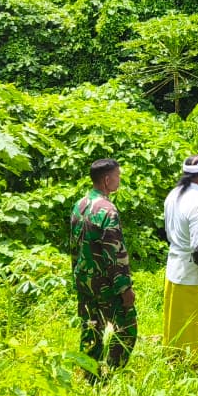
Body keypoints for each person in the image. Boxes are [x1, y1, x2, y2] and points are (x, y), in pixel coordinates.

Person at [69, 158, 137, 379]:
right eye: (117, 175)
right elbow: (115, 254)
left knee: (91, 327)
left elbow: (74, 246)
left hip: (83, 280)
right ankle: (112, 375)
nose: (119, 179)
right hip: (105, 284)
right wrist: (125, 289)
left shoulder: (79, 205)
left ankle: (89, 374)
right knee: (127, 329)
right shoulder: (108, 210)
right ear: (107, 180)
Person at [162, 153, 198, 352]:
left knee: (176, 319)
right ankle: (192, 363)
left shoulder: (173, 194)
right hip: (191, 272)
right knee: (193, 321)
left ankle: (174, 358)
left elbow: (169, 232)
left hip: (174, 264)